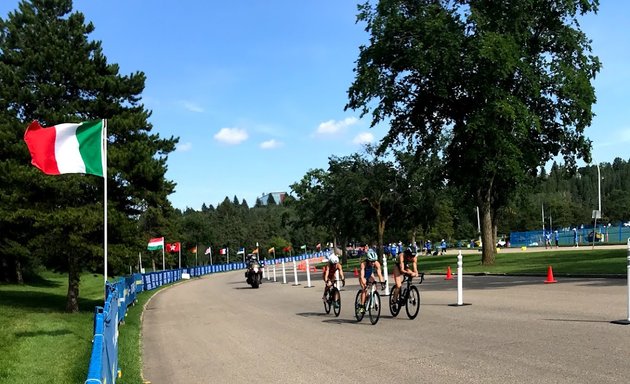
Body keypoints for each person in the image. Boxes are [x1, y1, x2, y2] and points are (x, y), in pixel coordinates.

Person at [357, 249, 385, 313]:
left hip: (369, 275)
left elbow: (379, 274)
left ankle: (373, 298)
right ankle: (361, 306)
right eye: (371, 261)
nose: (373, 263)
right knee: (364, 289)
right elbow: (362, 276)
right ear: (368, 260)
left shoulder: (376, 263)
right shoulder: (363, 264)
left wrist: (382, 283)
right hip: (363, 276)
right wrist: (364, 282)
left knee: (374, 285)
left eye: (374, 261)